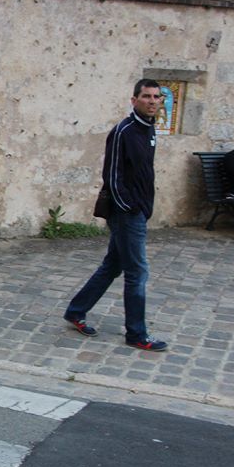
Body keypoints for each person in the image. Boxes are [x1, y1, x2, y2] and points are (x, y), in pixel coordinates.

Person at [63, 79, 169, 351]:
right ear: (134, 100)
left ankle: (76, 310)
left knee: (113, 265)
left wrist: (145, 207)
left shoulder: (149, 129)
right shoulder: (124, 131)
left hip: (138, 211)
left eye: (157, 97)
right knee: (137, 271)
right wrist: (129, 207)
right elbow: (111, 175)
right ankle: (136, 333)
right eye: (146, 96)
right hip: (126, 214)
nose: (152, 101)